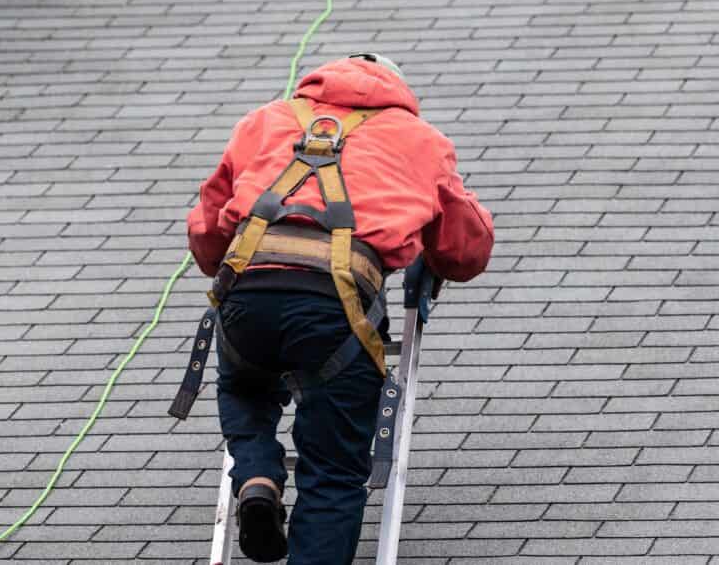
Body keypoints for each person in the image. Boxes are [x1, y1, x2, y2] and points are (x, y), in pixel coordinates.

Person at [185, 53, 494, 563]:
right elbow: (466, 250)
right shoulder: (419, 140)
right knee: (332, 473)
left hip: (247, 292)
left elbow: (208, 230)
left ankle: (258, 475)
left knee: (244, 385)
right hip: (336, 307)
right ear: (395, 89)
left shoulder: (265, 120)